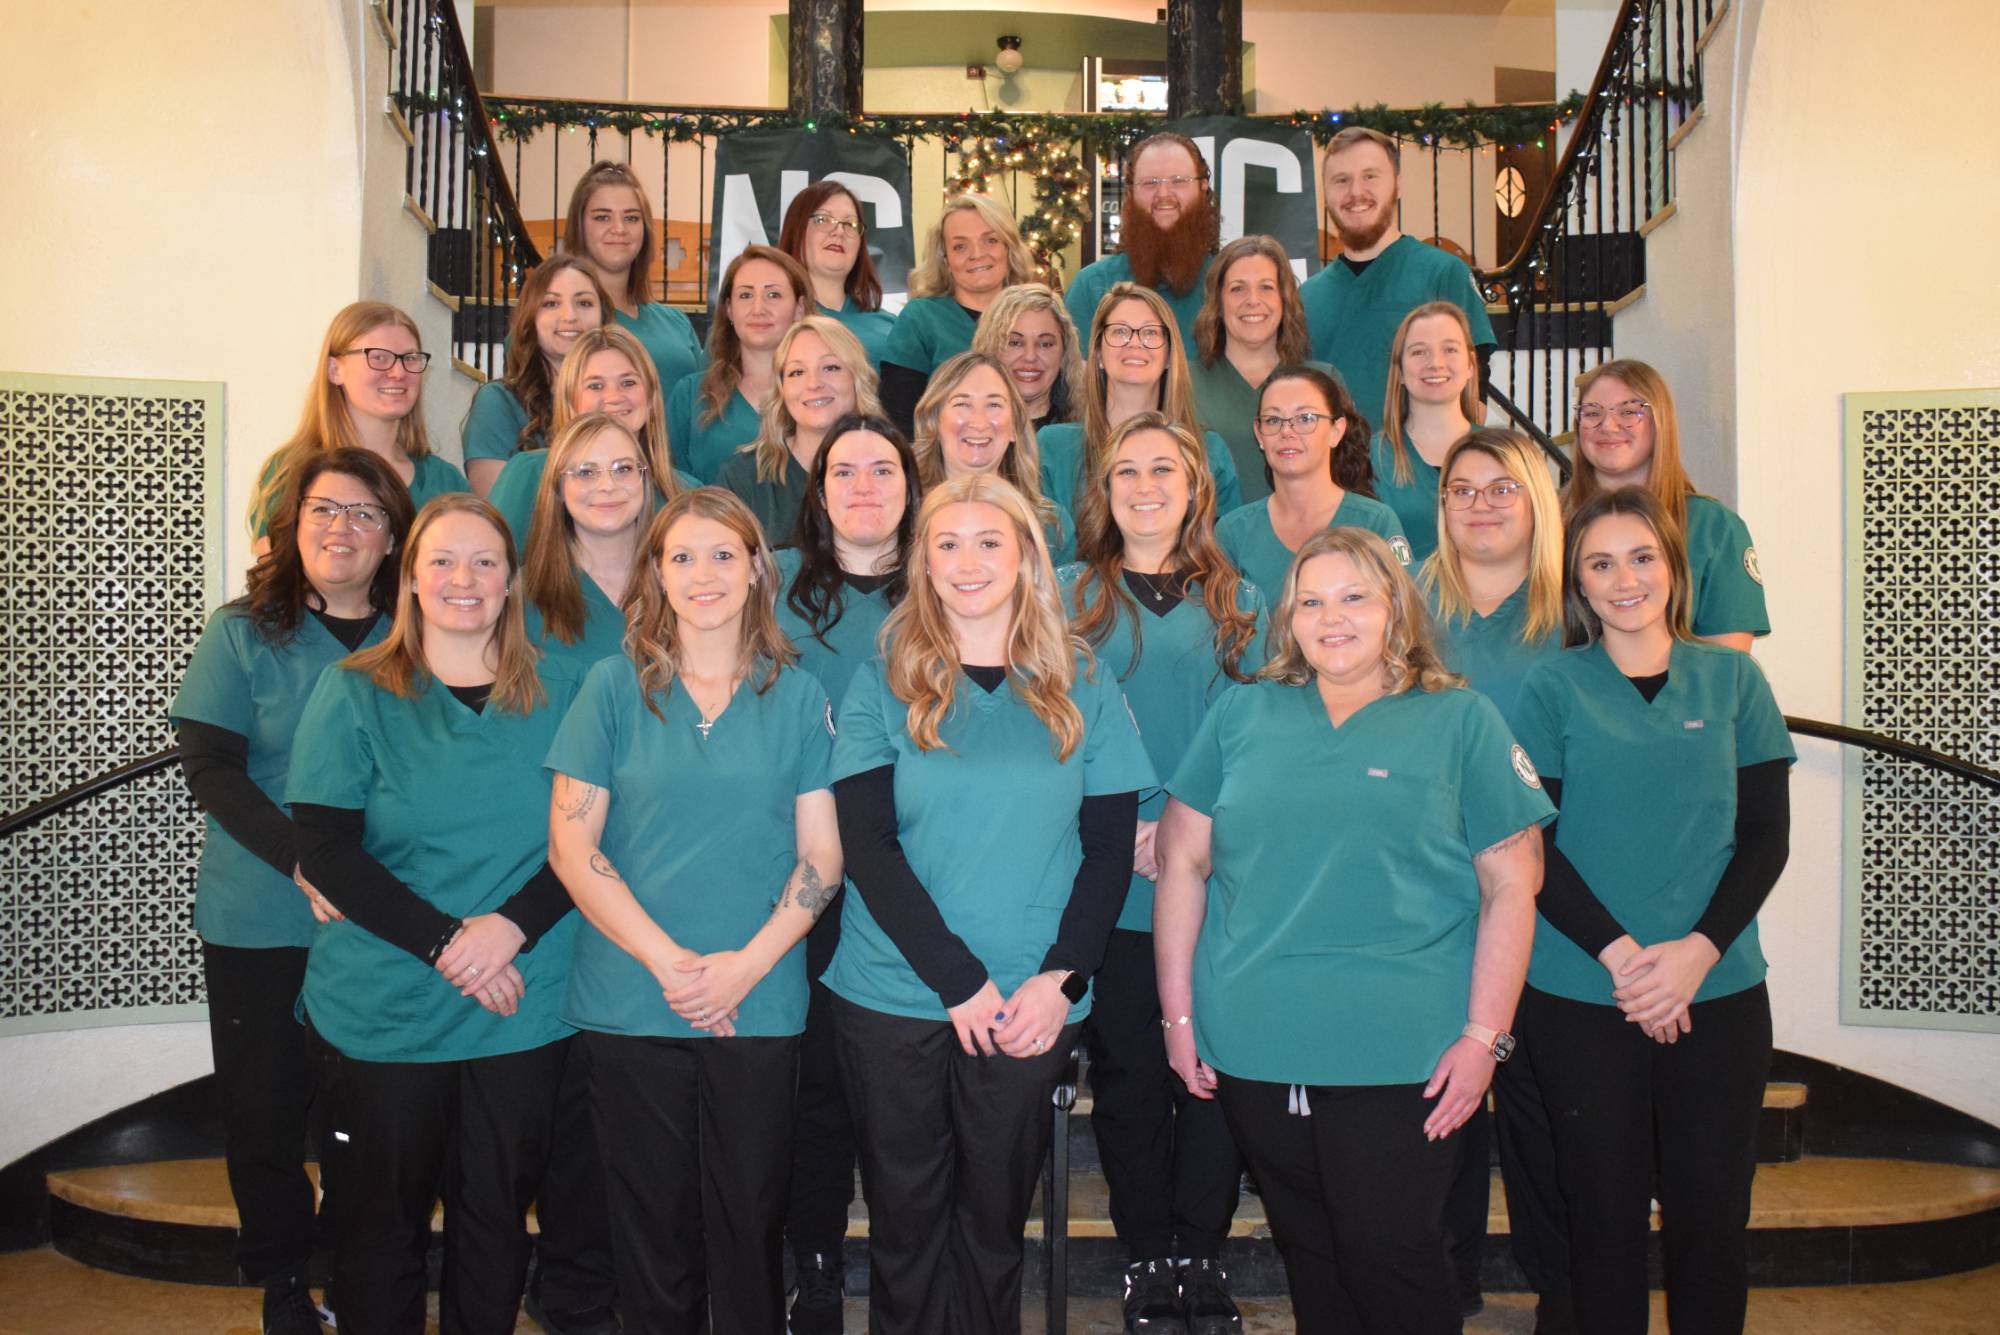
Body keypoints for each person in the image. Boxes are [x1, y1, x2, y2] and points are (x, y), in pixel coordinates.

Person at [1155, 526, 1552, 1335]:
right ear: (1288, 619)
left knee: (1394, 1253)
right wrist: (1179, 1017)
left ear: (1394, 609)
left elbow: (1515, 883)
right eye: (1311, 601)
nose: (1332, 618)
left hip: (1406, 1049)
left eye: (1354, 597)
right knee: (1312, 1254)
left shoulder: (1459, 719)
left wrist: (1487, 1036)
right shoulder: (1243, 711)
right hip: (1257, 1043)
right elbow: (1181, 863)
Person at [825, 474, 1155, 1335]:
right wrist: (956, 980)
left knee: (992, 1225)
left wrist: (1062, 981)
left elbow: (1110, 849)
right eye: (947, 544)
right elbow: (867, 847)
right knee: (904, 1225)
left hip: (1030, 1003)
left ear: (1023, 558)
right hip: (893, 996)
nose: (967, 562)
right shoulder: (881, 679)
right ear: (922, 561)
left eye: (988, 543)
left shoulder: (1081, 678)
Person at [545, 488, 842, 1335]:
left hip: (759, 998)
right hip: (632, 999)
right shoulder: (611, 688)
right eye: (680, 556)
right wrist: (670, 963)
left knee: (750, 1222)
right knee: (651, 1231)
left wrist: (744, 965)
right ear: (656, 574)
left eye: (722, 554)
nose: (702, 573)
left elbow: (822, 854)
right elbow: (574, 847)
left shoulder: (796, 695)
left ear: (757, 570)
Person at [286, 494, 584, 1334]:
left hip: (520, 1006)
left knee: (495, 1222)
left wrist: (509, 930)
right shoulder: (353, 693)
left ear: (512, 580)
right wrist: (453, 943)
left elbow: (595, 839)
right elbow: (329, 852)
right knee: (379, 1231)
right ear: (409, 577)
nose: (464, 579)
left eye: (485, 561)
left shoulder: (565, 690)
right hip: (387, 1008)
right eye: (442, 561)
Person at [1512, 487, 1794, 1335]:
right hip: (1583, 994)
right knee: (1599, 1224)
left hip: (1718, 993)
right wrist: (1625, 956)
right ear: (1579, 586)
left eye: (1641, 557)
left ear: (1672, 569)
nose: (1623, 577)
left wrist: (1696, 954)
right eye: (1600, 563)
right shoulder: (1552, 685)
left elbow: (1765, 841)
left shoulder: (1736, 679)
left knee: (1712, 1224)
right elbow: (1536, 848)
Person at [172, 448, 413, 1335]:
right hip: (261, 914)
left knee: (366, 1117)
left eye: (365, 514)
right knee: (266, 1111)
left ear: (393, 536)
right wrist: (300, 859)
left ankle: (360, 1273)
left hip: (381, 919)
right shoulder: (241, 630)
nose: (341, 528)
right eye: (324, 509)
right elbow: (211, 768)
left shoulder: (419, 634)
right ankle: (281, 1281)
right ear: (293, 521)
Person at [1059, 414, 1263, 1335]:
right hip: (1110, 878)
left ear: (1194, 488)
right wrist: (1131, 825)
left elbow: (1256, 734)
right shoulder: (1067, 598)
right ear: (1104, 492)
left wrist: (1182, 824)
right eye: (1126, 470)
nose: (1145, 485)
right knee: (1135, 1073)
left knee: (1211, 1071)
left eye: (1164, 470)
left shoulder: (1242, 602)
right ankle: (1146, 1255)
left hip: (1216, 875)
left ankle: (1201, 1254)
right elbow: (1049, 729)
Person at [771, 412, 921, 1333]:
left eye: (883, 469)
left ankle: (915, 1262)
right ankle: (815, 1263)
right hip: (801, 875)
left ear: (911, 485)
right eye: (843, 471)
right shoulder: (773, 588)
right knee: (816, 1082)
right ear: (818, 493)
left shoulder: (947, 584)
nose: (864, 486)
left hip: (917, 872)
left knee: (897, 1090)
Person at [1420, 427, 1569, 1324]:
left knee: (1545, 1117)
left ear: (1537, 503)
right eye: (1462, 489)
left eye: (1501, 487)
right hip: (1438, 901)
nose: (1480, 503)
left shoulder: (1573, 616)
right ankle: (1448, 1285)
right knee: (1444, 1109)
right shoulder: (1408, 606)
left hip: (1557, 904)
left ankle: (1563, 1286)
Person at [1300, 127, 1496, 433]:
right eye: (1341, 180)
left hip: (1418, 474)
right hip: (1332, 476)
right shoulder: (1307, 297)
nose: (1356, 192)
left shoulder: (1443, 274)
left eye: (1370, 176)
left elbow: (1474, 403)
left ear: (1398, 185)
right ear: (1325, 194)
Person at [1566, 359, 1770, 650]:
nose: (1608, 426)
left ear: (1660, 420)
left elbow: (1728, 664)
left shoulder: (1713, 527)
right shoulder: (1548, 521)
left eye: (1628, 412)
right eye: (1592, 413)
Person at [250, 301, 467, 545]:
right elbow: (276, 578)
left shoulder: (445, 481)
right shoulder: (288, 472)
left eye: (410, 358)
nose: (398, 372)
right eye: (379, 357)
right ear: (334, 370)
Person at [1038, 282, 1241, 518]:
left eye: (1150, 333)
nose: (1134, 343)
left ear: (1168, 356)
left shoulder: (1208, 453)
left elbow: (1222, 549)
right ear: (1098, 354)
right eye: (1120, 331)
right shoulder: (1054, 450)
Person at [487, 324, 695, 548]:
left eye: (628, 382)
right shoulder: (530, 473)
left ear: (651, 395)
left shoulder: (685, 492)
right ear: (570, 399)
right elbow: (492, 562)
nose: (614, 397)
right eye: (595, 386)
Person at [1215, 365, 1408, 596]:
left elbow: (1404, 615)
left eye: (1305, 418)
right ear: (1259, 434)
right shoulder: (1233, 533)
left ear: (1336, 431)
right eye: (1273, 420)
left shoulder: (1376, 522)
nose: (1287, 431)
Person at [716, 316, 883, 546]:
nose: (813, 383)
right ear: (781, 389)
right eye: (797, 372)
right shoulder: (742, 478)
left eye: (831, 367)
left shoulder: (893, 471)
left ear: (857, 379)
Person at [879, 194, 1038, 432]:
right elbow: (899, 423)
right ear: (945, 259)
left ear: (1009, 247)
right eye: (960, 246)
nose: (977, 254)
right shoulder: (921, 319)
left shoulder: (1035, 316)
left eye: (990, 240)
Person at [1188, 234, 1323, 506]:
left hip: (1311, 545)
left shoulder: (1322, 383)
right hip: (1210, 545)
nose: (1252, 300)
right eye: (1238, 288)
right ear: (1218, 301)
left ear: (1285, 299)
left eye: (1266, 287)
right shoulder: (1184, 383)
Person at [461, 255, 611, 496]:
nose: (570, 316)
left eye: (584, 303)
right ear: (531, 317)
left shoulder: (622, 398)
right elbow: (499, 503)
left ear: (603, 317)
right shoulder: (498, 402)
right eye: (551, 304)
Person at [520, 412, 655, 675]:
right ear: (558, 487)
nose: (607, 485)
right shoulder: (522, 596)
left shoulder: (681, 583)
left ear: (644, 479)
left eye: (623, 469)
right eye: (586, 472)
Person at [560, 160, 706, 399]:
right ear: (579, 227)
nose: (619, 228)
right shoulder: (561, 322)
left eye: (631, 218)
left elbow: (705, 405)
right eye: (602, 217)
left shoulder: (676, 322)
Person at [910, 350, 1074, 562]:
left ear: (1015, 426)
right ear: (934, 422)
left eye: (994, 405)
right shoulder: (902, 516)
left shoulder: (1052, 525)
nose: (979, 422)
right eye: (962, 404)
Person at [668, 245, 812, 483]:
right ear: (729, 309)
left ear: (799, 308)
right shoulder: (691, 396)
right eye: (745, 295)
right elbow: (666, 480)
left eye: (773, 295)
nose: (758, 309)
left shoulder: (821, 394)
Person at [1065, 131, 1219, 346]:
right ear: (1130, 193)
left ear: (1202, 188)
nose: (1164, 194)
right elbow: (1074, 375)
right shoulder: (1092, 286)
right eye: (1150, 183)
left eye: (1179, 181)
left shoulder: (1228, 285)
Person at [1372, 302, 1486, 563]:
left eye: (1449, 349)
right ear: (1399, 370)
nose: (1435, 363)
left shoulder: (1503, 454)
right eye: (1419, 352)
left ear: (1470, 365)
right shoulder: (1370, 460)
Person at [778, 179, 897, 369]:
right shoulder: (772, 320)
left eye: (850, 224)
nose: (839, 231)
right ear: (796, 230)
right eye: (823, 219)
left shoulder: (893, 326)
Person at [969, 282, 1085, 434]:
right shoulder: (965, 432)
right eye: (1015, 343)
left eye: (1045, 344)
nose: (1030, 357)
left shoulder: (1084, 436)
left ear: (1064, 353)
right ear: (989, 349)